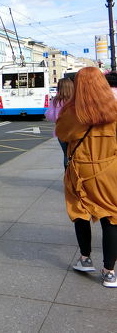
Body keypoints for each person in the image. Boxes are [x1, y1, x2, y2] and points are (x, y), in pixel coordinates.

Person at [55, 66, 117, 287]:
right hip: (110, 169)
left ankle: (85, 258)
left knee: (79, 210)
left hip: (80, 170)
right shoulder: (114, 108)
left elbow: (62, 134)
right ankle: (109, 272)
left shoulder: (72, 112)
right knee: (112, 216)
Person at [44, 77, 74, 167]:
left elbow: (49, 116)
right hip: (75, 130)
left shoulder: (56, 101)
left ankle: (67, 176)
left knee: (66, 154)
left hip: (61, 131)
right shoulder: (75, 100)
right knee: (75, 154)